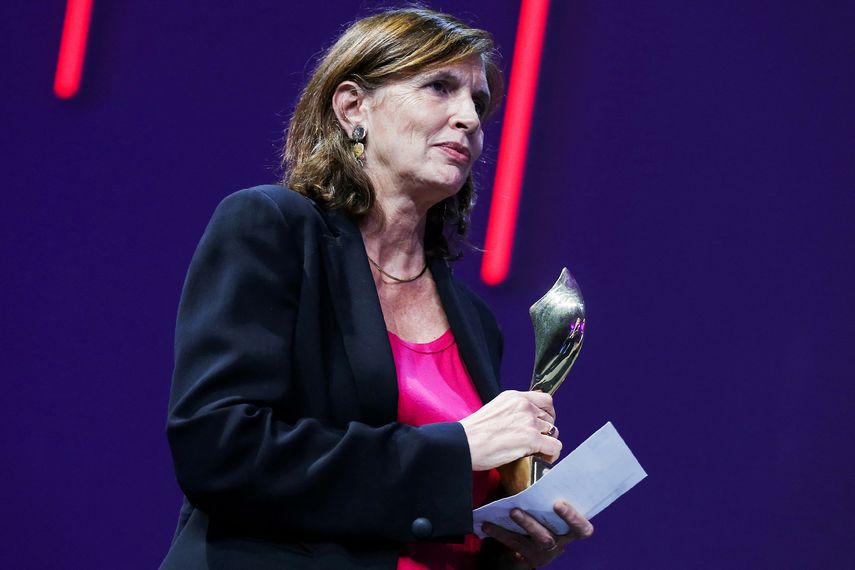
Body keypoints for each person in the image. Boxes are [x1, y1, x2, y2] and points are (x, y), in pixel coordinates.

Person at [161, 7, 592, 569]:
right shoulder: (272, 228)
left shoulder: (475, 321)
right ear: (352, 106)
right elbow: (219, 450)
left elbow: (422, 512)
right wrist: (458, 447)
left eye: (479, 104)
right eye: (439, 87)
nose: (468, 117)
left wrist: (512, 542)